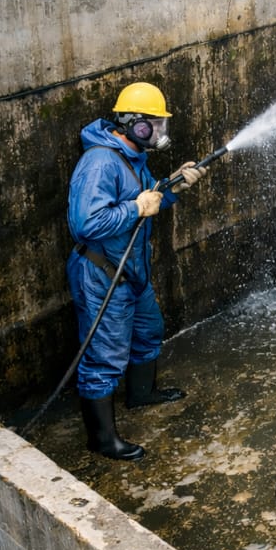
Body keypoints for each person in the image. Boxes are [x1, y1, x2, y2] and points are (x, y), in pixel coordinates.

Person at [66, 81, 206, 462]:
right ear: (132, 124)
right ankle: (102, 439)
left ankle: (141, 394)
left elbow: (150, 197)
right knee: (104, 356)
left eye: (161, 125)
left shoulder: (131, 157)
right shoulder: (100, 163)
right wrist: (136, 209)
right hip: (101, 275)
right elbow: (86, 224)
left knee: (149, 330)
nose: (159, 134)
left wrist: (175, 184)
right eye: (153, 126)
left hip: (131, 270)